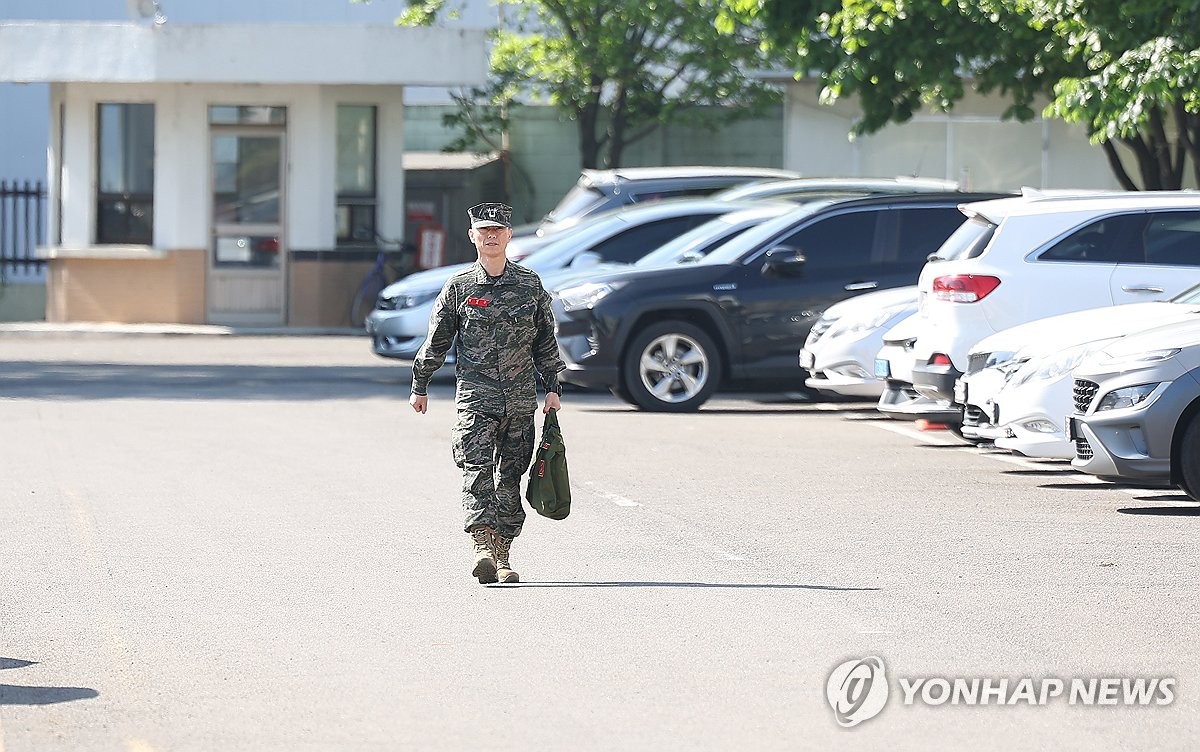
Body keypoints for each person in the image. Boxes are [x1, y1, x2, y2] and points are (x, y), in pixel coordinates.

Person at [409, 202, 564, 585]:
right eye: (484, 230)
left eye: (498, 230)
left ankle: (503, 554)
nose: (491, 236)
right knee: (477, 471)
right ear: (473, 236)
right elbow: (437, 340)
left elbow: (545, 340)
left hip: (520, 400)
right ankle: (480, 545)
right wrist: (421, 384)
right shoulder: (459, 288)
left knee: (510, 477)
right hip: (475, 399)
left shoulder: (529, 285)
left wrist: (553, 388)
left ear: (509, 236)